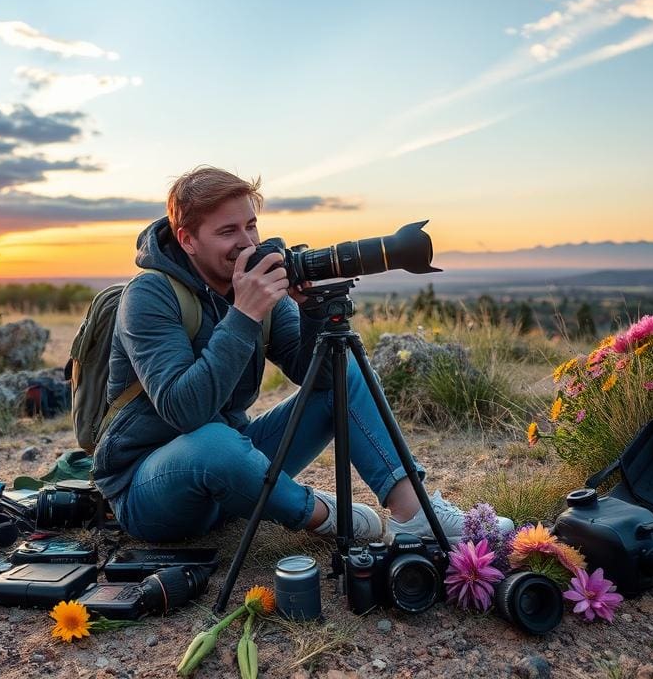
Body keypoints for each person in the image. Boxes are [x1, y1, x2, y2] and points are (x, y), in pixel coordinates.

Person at [92, 166, 465, 544]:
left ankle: (413, 511)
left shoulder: (254, 279)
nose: (248, 243)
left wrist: (313, 312)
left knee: (343, 370)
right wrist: (244, 315)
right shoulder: (149, 295)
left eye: (251, 226)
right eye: (228, 231)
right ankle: (320, 513)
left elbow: (320, 380)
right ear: (188, 240)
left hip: (234, 469)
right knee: (214, 442)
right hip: (151, 491)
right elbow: (184, 411)